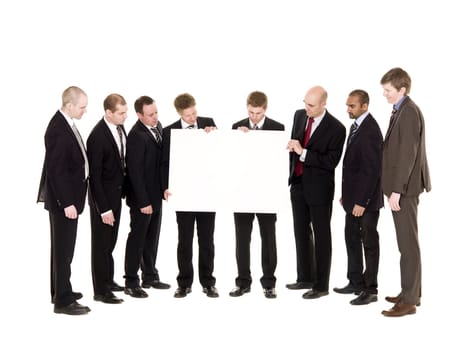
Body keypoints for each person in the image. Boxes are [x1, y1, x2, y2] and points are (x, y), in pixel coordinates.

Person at [380, 68, 431, 317]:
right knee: (406, 244)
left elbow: (407, 155)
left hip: (405, 190)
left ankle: (409, 300)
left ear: (402, 89)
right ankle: (410, 291)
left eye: (388, 90)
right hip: (402, 188)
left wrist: (396, 191)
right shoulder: (402, 109)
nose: (385, 94)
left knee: (408, 245)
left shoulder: (409, 112)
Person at [286, 86, 346, 299]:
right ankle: (305, 277)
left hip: (320, 189)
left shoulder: (337, 128)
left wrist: (304, 153)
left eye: (311, 105)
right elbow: (296, 142)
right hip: (298, 184)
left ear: (323, 105)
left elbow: (331, 162)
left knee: (322, 236)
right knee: (300, 232)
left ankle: (321, 286)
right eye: (305, 102)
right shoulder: (299, 115)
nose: (306, 108)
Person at [37, 86, 91, 315]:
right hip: (65, 203)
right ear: (69, 105)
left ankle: (59, 289)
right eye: (82, 107)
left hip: (68, 199)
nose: (85, 111)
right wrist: (67, 202)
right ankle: (63, 300)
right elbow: (56, 170)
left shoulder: (65, 122)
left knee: (62, 249)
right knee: (64, 250)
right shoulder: (58, 129)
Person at [162, 93, 219, 298]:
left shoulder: (209, 123)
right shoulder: (169, 131)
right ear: (179, 114)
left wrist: (214, 135)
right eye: (187, 115)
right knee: (184, 241)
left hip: (207, 192)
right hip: (184, 193)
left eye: (194, 112)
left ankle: (208, 282)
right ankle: (184, 283)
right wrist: (164, 187)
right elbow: (165, 163)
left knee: (207, 241)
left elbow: (220, 153)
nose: (193, 117)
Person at [229, 91, 284, 299]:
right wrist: (239, 139)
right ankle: (243, 282)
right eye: (251, 112)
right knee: (242, 240)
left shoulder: (277, 128)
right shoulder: (236, 126)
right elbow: (230, 159)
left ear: (265, 109)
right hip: (242, 192)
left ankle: (269, 283)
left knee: (268, 239)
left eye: (258, 113)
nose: (254, 117)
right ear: (247, 108)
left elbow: (278, 163)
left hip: (267, 192)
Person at [333, 89, 383, 305]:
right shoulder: (355, 127)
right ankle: (355, 281)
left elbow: (371, 170)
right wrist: (347, 195)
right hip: (353, 199)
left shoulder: (371, 130)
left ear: (365, 106)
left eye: (352, 106)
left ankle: (370, 289)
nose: (348, 109)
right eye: (347, 105)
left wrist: (362, 201)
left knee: (369, 243)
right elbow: (352, 166)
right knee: (351, 238)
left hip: (367, 202)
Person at [123, 95, 170, 298]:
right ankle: (131, 282)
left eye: (156, 112)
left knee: (152, 238)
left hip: (156, 196)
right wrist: (144, 202)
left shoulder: (158, 127)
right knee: (137, 239)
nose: (155, 117)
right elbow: (134, 172)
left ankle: (150, 275)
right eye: (150, 115)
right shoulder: (135, 135)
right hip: (142, 200)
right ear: (139, 115)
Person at [86, 93, 128, 304]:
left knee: (110, 243)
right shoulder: (97, 136)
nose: (125, 116)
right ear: (108, 113)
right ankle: (100, 291)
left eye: (126, 111)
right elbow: (94, 177)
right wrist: (104, 209)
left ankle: (108, 280)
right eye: (121, 113)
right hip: (103, 202)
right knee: (101, 245)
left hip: (115, 197)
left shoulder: (119, 128)